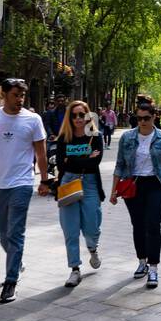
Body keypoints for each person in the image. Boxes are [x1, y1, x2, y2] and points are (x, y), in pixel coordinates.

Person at [0, 78, 50, 303]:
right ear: (3, 94)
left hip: (22, 182)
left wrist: (44, 181)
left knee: (15, 232)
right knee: (3, 233)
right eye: (15, 95)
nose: (20, 99)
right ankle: (16, 259)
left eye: (22, 96)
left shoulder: (33, 119)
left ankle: (11, 280)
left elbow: (41, 154)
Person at [111, 101, 161, 288]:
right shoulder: (127, 137)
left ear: (154, 117)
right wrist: (114, 190)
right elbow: (119, 164)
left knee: (153, 224)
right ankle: (142, 261)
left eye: (146, 118)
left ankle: (153, 267)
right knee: (138, 225)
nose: (143, 122)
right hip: (133, 185)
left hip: (156, 184)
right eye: (139, 118)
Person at [53, 100, 105, 288]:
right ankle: (75, 269)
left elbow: (95, 163)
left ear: (87, 115)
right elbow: (61, 164)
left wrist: (73, 160)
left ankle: (92, 248)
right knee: (70, 229)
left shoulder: (95, 136)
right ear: (69, 117)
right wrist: (84, 159)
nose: (77, 119)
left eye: (81, 115)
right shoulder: (64, 138)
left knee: (92, 224)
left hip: (90, 183)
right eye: (73, 115)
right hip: (68, 183)